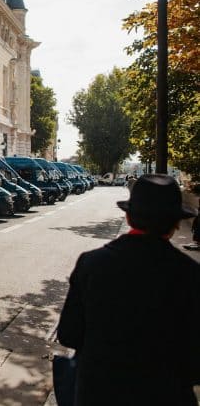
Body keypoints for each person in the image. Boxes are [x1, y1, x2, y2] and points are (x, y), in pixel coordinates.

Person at [57, 174, 200, 406]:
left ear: (128, 216)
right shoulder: (191, 275)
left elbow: (69, 334)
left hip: (99, 393)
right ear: (175, 224)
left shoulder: (92, 264)